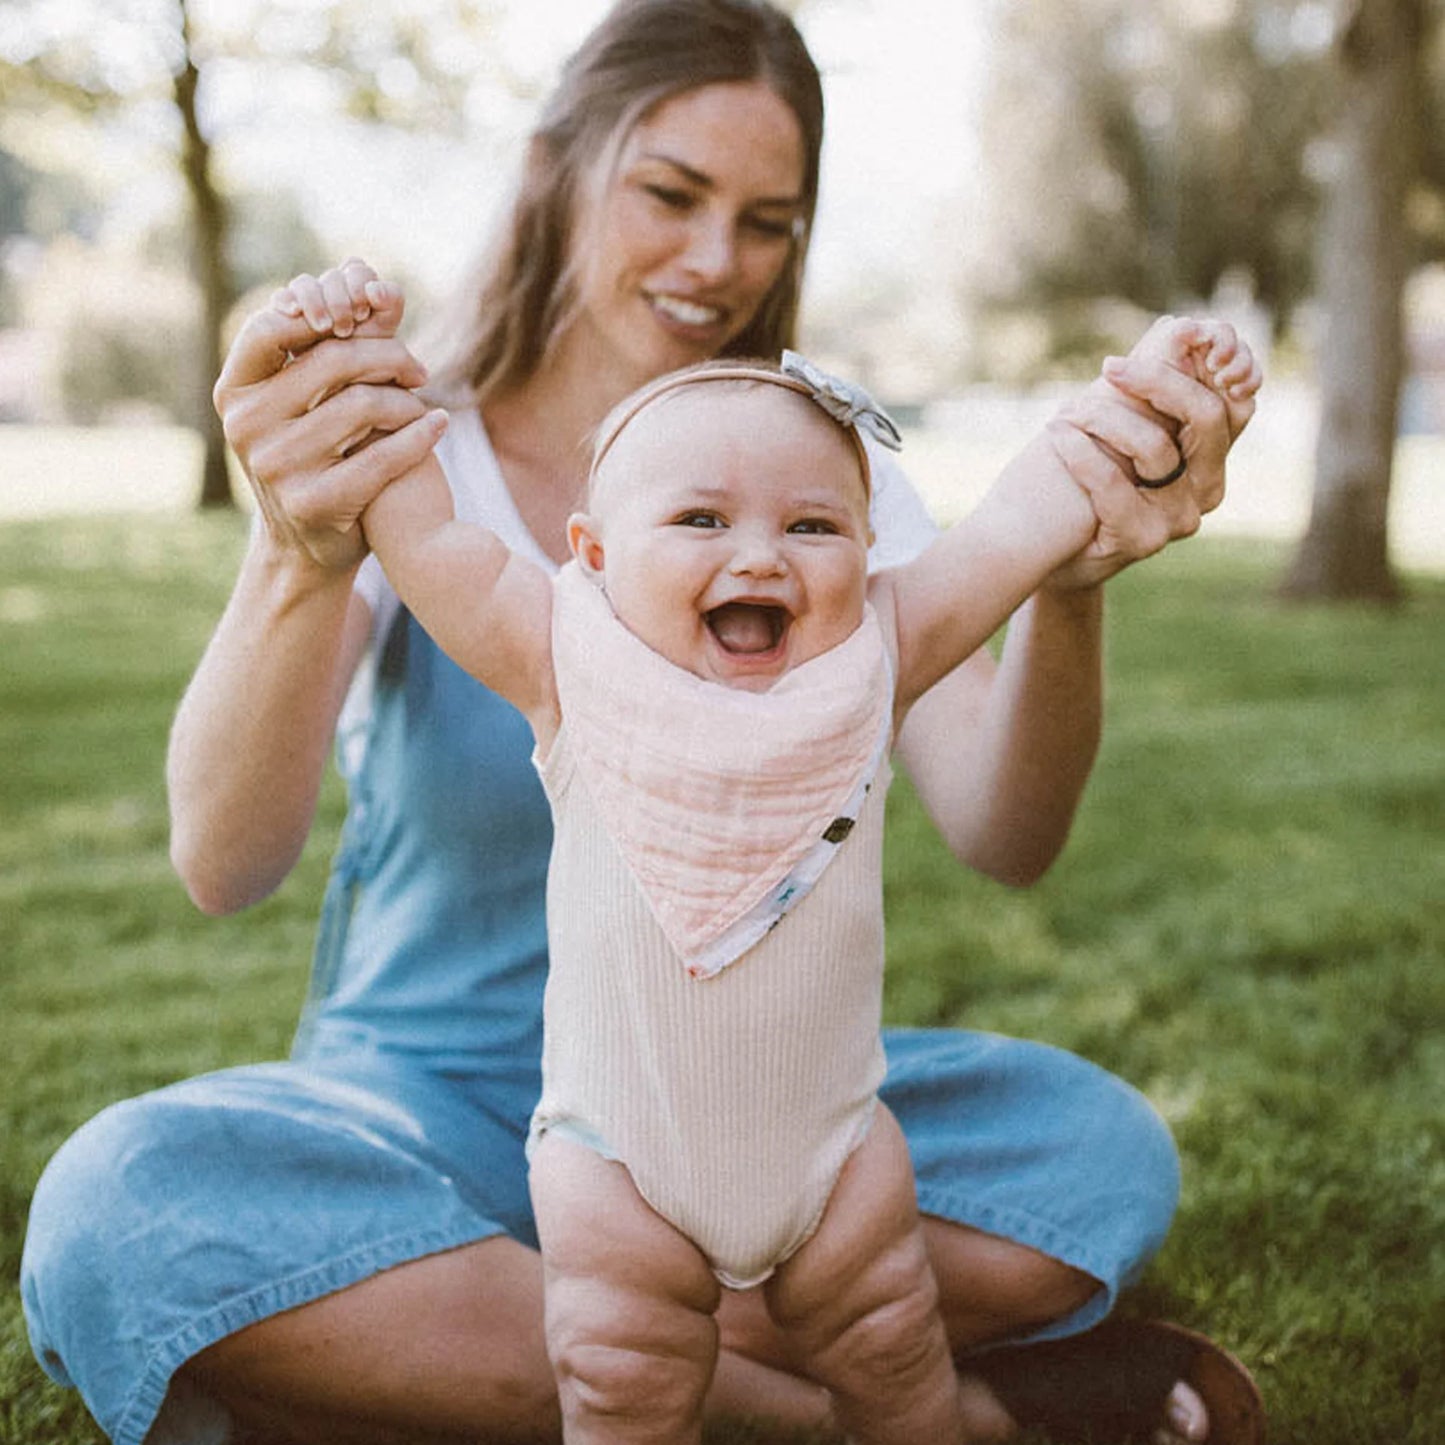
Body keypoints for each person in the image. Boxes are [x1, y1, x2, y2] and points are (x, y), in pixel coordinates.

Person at [20, 3, 1264, 1444]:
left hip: (754, 1105)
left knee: (1094, 1152)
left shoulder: (818, 491)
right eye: (669, 194)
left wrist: (1072, 585)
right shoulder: (411, 454)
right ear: (556, 162)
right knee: (123, 1205)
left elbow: (1006, 827)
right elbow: (222, 860)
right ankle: (823, 1402)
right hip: (429, 1110)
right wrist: (297, 553)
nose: (712, 261)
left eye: (765, 221)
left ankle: (438, 1347)